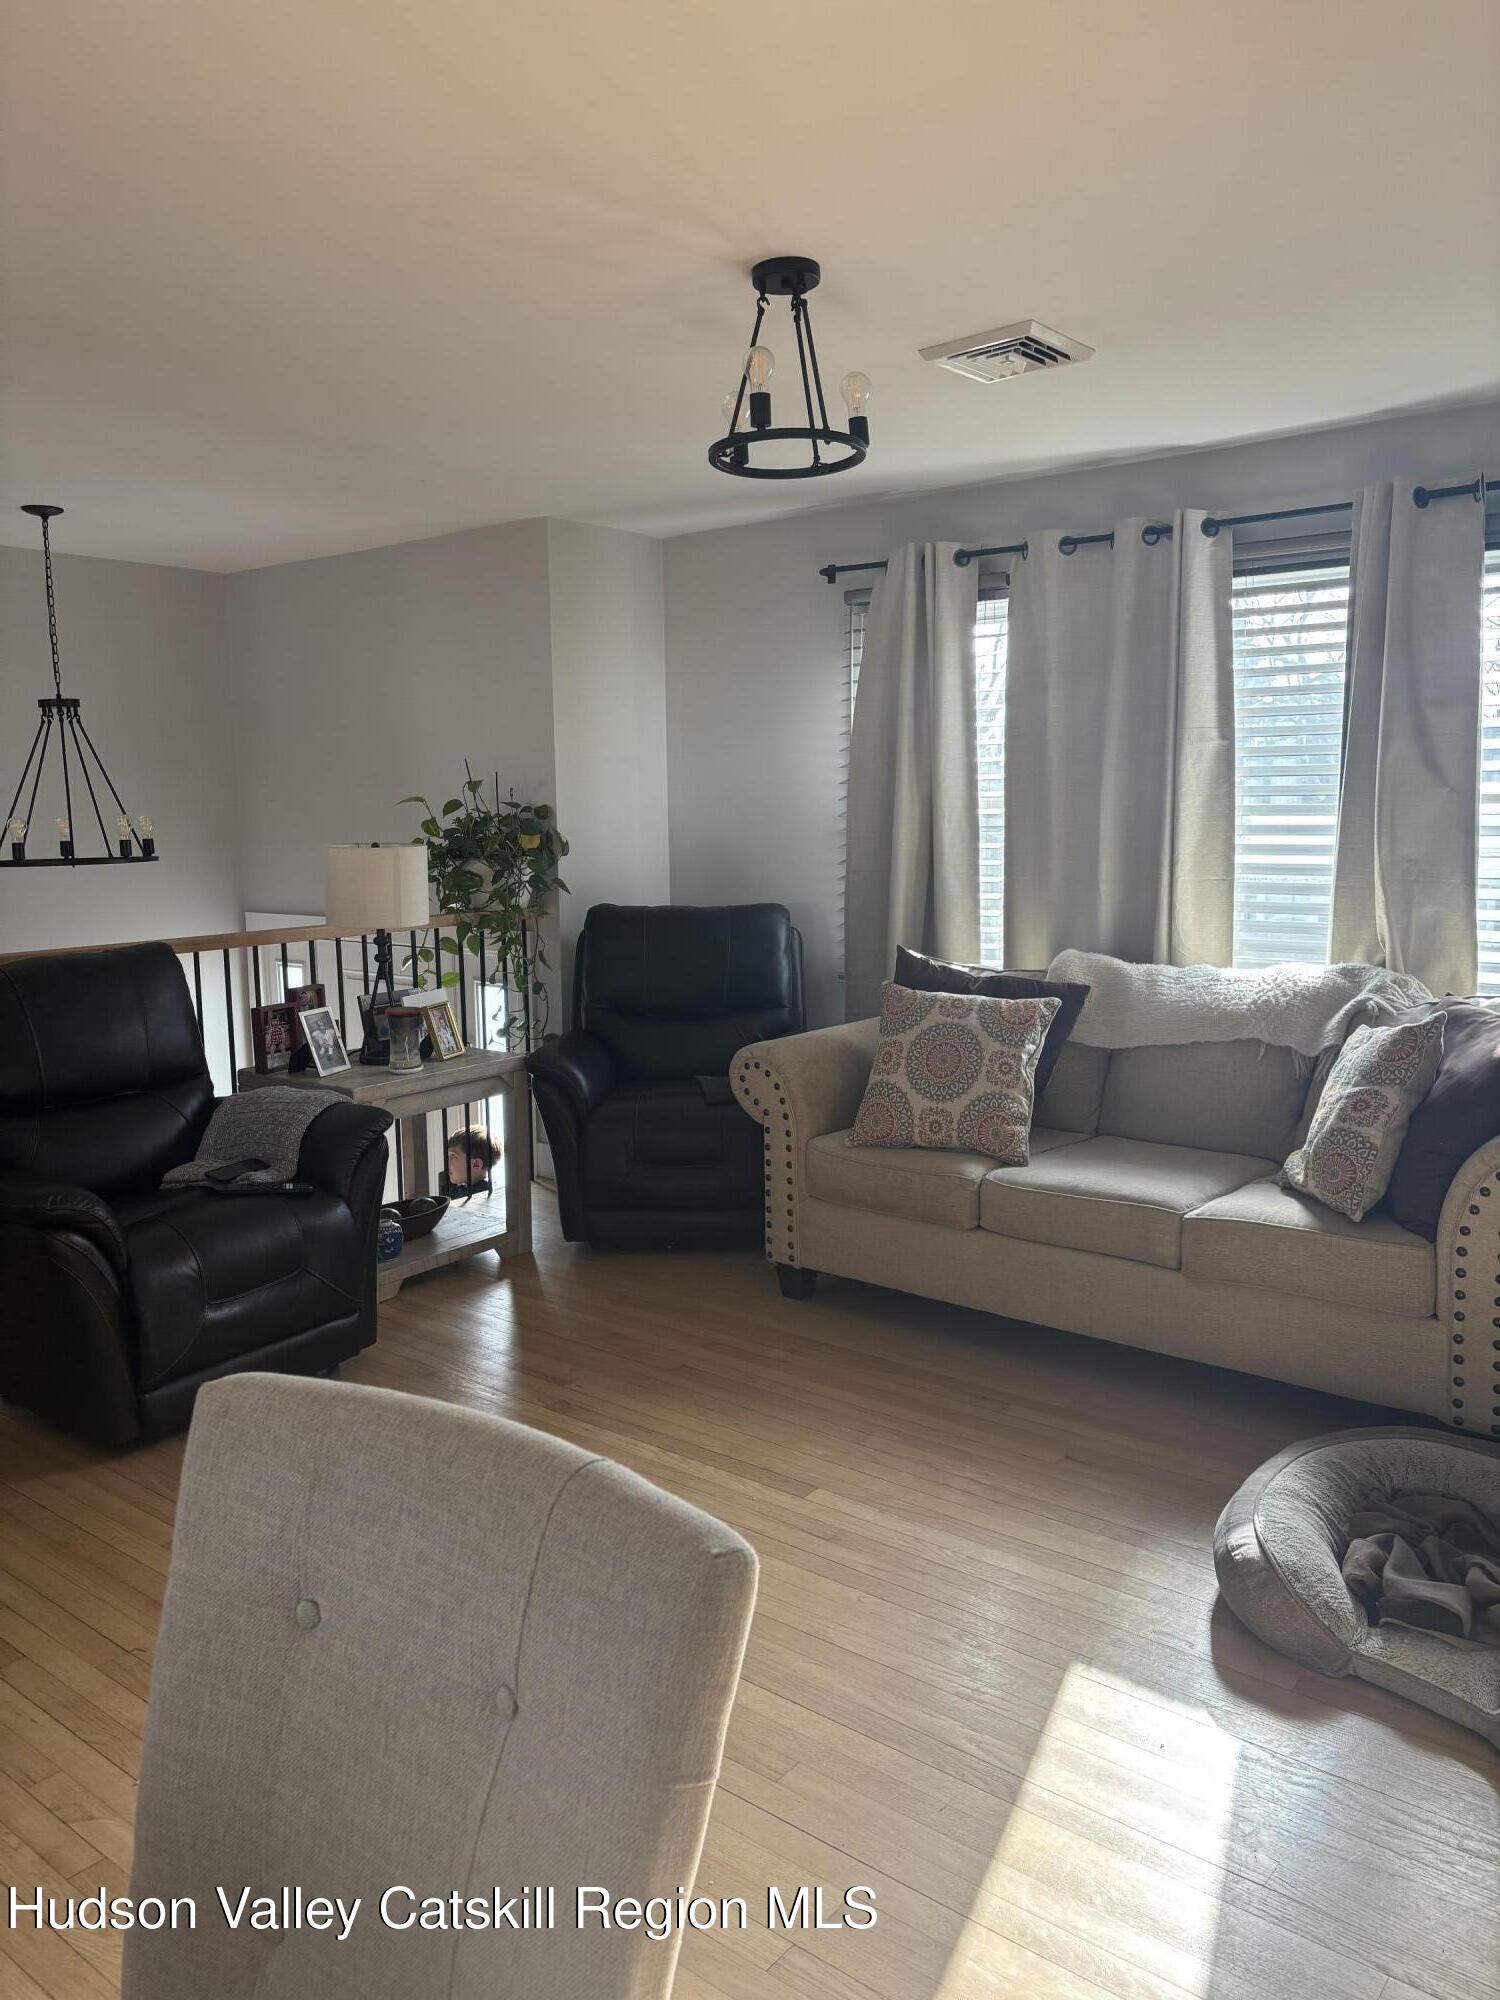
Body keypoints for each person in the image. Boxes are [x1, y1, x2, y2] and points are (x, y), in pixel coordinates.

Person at [442, 1125, 500, 1198]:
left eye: (453, 1156)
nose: (447, 1162)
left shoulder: (485, 1195)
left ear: (476, 1164)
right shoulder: (460, 1190)